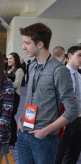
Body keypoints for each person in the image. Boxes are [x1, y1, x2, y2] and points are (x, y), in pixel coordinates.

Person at [17, 22, 79, 164]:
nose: (23, 47)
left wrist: (45, 131)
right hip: (24, 132)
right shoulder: (32, 66)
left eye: (27, 43)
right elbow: (33, 97)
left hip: (44, 139)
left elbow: (73, 110)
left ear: (40, 44)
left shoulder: (59, 70)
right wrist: (21, 117)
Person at [55, 45, 81, 164]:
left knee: (73, 154)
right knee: (59, 154)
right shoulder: (61, 74)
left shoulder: (79, 76)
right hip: (64, 119)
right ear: (69, 56)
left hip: (78, 119)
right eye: (79, 55)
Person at [6, 52, 24, 147]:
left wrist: (5, 86)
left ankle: (13, 138)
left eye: (11, 58)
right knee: (7, 117)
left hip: (15, 96)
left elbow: (17, 83)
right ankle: (9, 136)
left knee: (11, 117)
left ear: (15, 60)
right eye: (8, 58)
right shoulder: (9, 69)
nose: (9, 60)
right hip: (7, 96)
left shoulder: (19, 70)